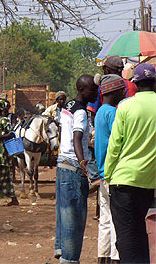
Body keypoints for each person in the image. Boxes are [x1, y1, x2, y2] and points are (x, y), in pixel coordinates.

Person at [104, 63, 156, 263]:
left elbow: (115, 144)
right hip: (147, 182)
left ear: (135, 83)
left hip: (123, 180)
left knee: (126, 235)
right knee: (139, 230)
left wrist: (107, 174)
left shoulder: (126, 106)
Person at [54, 75, 98, 262]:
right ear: (82, 90)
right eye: (92, 90)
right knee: (75, 220)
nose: (96, 93)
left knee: (63, 214)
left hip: (62, 165)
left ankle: (60, 248)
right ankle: (70, 259)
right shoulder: (80, 112)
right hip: (73, 168)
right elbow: (77, 138)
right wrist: (83, 164)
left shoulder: (69, 105)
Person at [93, 74, 126, 264]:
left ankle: (103, 257)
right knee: (116, 219)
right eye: (121, 90)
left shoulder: (100, 112)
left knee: (105, 220)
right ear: (114, 92)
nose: (123, 93)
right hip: (113, 171)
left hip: (102, 171)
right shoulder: (112, 113)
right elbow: (119, 140)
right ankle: (115, 258)